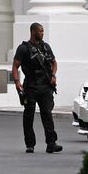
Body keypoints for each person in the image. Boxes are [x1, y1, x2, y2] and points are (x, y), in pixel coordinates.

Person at [11, 23, 63, 154]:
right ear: (33, 32)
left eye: (43, 31)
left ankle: (51, 143)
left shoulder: (46, 47)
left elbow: (54, 62)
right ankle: (30, 144)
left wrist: (53, 75)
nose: (42, 33)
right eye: (40, 31)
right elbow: (15, 66)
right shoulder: (23, 48)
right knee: (29, 115)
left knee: (47, 114)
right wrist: (17, 83)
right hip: (31, 86)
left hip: (45, 86)